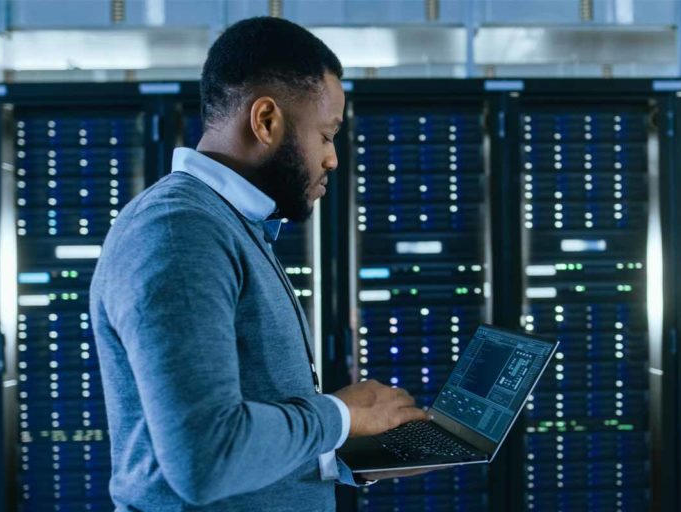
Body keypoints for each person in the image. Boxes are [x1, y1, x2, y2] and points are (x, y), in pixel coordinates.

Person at [90, 16, 432, 511]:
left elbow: (243, 436)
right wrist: (341, 415)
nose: (332, 159)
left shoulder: (230, 224)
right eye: (327, 135)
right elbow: (205, 457)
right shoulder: (179, 232)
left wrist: (350, 453)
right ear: (266, 120)